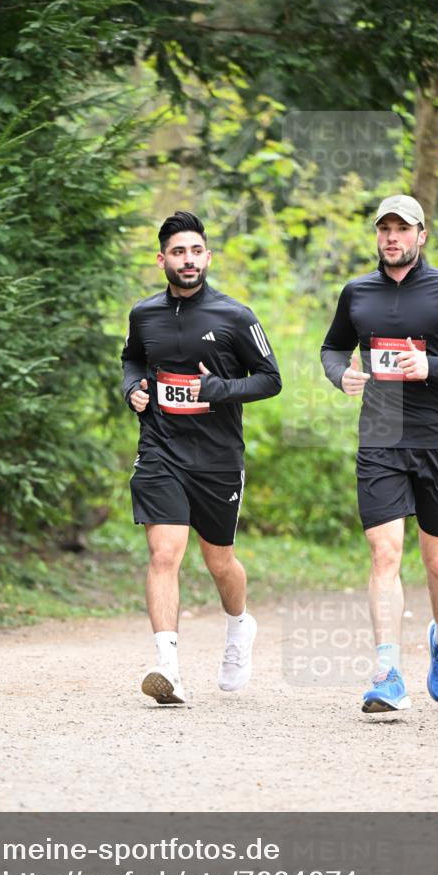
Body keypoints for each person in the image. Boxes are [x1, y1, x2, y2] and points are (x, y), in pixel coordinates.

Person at [321, 194, 438, 714]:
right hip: (380, 434)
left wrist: (434, 367)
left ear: (421, 235)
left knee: (437, 560)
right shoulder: (356, 292)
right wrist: (340, 374)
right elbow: (332, 347)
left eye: (403, 229)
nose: (392, 237)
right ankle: (387, 672)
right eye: (384, 228)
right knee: (384, 554)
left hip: (435, 436)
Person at [121, 211, 281, 704]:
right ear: (161, 260)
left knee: (219, 560)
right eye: (178, 252)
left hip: (217, 458)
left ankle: (239, 626)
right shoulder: (144, 314)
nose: (187, 260)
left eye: (195, 251)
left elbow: (271, 379)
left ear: (207, 257)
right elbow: (132, 359)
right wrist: (132, 389)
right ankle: (167, 667)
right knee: (164, 553)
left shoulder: (236, 317)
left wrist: (221, 389)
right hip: (160, 449)